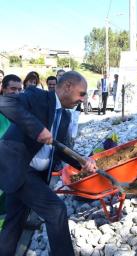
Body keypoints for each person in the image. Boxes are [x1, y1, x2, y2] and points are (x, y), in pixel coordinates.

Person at [0, 71, 97, 256]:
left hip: (32, 175)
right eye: (82, 93)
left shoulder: (66, 117)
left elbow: (61, 149)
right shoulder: (37, 96)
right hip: (17, 168)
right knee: (56, 210)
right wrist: (37, 129)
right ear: (67, 86)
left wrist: (82, 161)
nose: (83, 100)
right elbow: (4, 102)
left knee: (14, 223)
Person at [0, 74, 23, 231]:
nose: (16, 93)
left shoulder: (20, 109)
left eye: (19, 89)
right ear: (3, 89)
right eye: (12, 89)